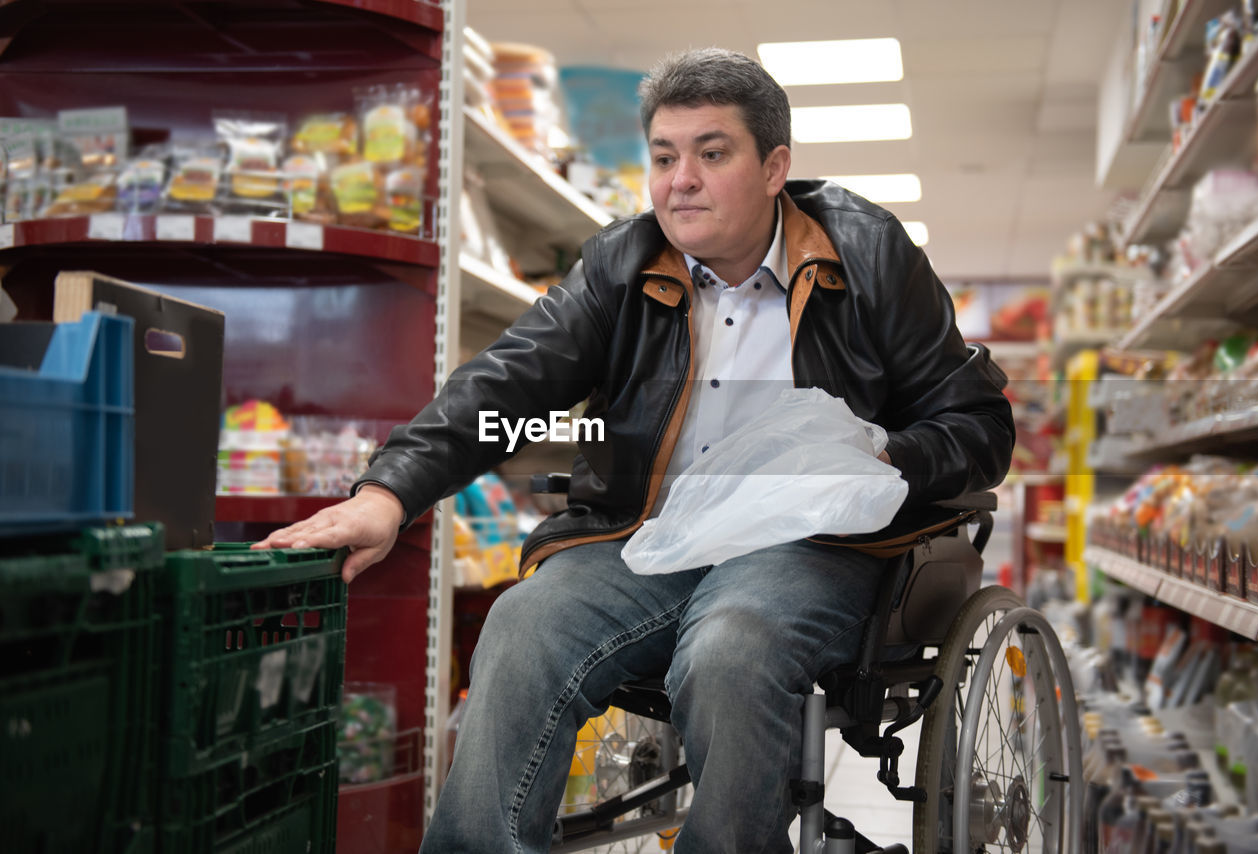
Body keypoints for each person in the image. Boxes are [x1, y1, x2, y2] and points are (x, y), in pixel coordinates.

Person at [258, 47, 1014, 853]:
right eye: (663, 156)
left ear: (774, 167)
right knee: (522, 624)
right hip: (648, 536)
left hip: (811, 544)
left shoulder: (867, 255)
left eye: (712, 153)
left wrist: (884, 463)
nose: (679, 179)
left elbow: (976, 423)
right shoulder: (622, 264)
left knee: (733, 647)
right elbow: (505, 386)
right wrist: (390, 493)